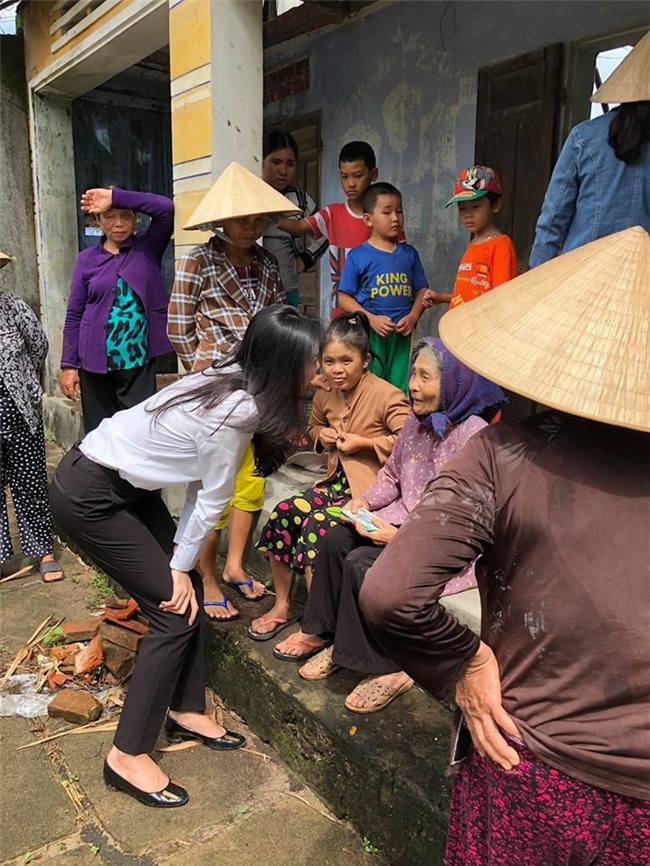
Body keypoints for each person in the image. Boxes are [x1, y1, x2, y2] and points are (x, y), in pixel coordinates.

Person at [360, 227, 650, 864]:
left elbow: (389, 594)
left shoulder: (498, 453)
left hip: (531, 766)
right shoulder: (452, 441)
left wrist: (464, 662)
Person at [50, 305, 322, 809]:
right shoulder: (235, 408)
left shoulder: (235, 378)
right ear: (283, 364)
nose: (319, 373)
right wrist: (176, 566)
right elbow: (211, 497)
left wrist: (182, 568)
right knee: (173, 611)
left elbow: (201, 485)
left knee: (190, 590)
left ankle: (185, 705)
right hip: (89, 493)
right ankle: (127, 755)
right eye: (313, 362)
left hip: (125, 484)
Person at [274, 338, 505, 716]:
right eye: (413, 373)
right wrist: (363, 502)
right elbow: (392, 476)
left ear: (453, 383)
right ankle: (329, 636)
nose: (412, 384)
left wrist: (400, 537)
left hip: (446, 546)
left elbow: (467, 521)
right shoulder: (416, 423)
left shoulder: (475, 437)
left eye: (425, 377)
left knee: (364, 562)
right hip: (402, 520)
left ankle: (393, 666)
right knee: (334, 537)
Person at [167, 162, 296, 621]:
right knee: (210, 486)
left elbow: (279, 317)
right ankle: (205, 574)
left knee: (251, 479)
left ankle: (236, 564)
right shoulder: (197, 261)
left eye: (259, 219)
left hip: (261, 386)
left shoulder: (267, 263)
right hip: (216, 387)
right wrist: (208, 368)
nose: (252, 227)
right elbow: (179, 329)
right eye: (244, 219)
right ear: (221, 220)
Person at [250, 312, 410, 641]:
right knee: (283, 513)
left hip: (370, 493)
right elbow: (312, 429)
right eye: (329, 361)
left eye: (346, 360)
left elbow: (410, 442)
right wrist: (322, 434)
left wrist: (364, 443)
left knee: (316, 526)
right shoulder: (326, 394)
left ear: (365, 360)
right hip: (334, 484)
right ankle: (283, 605)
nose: (337, 369)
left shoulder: (387, 395)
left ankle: (320, 626)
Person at [60, 186, 174, 433]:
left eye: (126, 215)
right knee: (100, 435)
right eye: (110, 216)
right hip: (93, 363)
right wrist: (69, 365)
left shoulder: (148, 247)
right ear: (98, 220)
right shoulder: (86, 259)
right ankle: (104, 474)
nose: (119, 223)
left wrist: (114, 198)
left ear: (136, 219)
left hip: (137, 362)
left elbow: (165, 208)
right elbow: (74, 313)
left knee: (138, 433)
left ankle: (131, 474)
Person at [530, 31, 649, 267]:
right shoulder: (583, 138)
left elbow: (553, 220)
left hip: (581, 275)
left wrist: (536, 278)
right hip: (640, 284)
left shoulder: (584, 137)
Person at [0, 252, 64, 582]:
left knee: (30, 482)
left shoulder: (14, 307)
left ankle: (43, 551)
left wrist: (25, 380)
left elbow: (39, 345)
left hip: (18, 411)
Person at [338, 182, 429, 391]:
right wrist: (371, 319)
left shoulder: (409, 254)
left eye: (399, 211)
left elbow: (422, 291)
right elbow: (344, 298)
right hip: (371, 334)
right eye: (387, 212)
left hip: (402, 335)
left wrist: (413, 317)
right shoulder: (358, 256)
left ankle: (397, 423)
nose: (395, 218)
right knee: (371, 385)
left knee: (401, 386)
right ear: (368, 219)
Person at [277, 141, 380, 311]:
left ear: (373, 174)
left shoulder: (383, 217)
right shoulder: (332, 214)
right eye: (344, 176)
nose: (351, 184)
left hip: (377, 311)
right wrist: (268, 215)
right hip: (340, 312)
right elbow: (297, 227)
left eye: (358, 175)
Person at [423, 166, 517, 309]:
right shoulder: (473, 244)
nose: (468, 215)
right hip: (459, 325)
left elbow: (502, 297)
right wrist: (441, 297)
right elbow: (470, 293)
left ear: (496, 205)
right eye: (462, 209)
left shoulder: (501, 245)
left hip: (479, 327)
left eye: (475, 206)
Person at [261, 129, 328, 307]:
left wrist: (305, 260)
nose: (283, 170)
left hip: (288, 288)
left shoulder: (300, 200)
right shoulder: (250, 195)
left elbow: (326, 231)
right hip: (253, 289)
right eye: (276, 162)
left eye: (290, 164)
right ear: (262, 161)